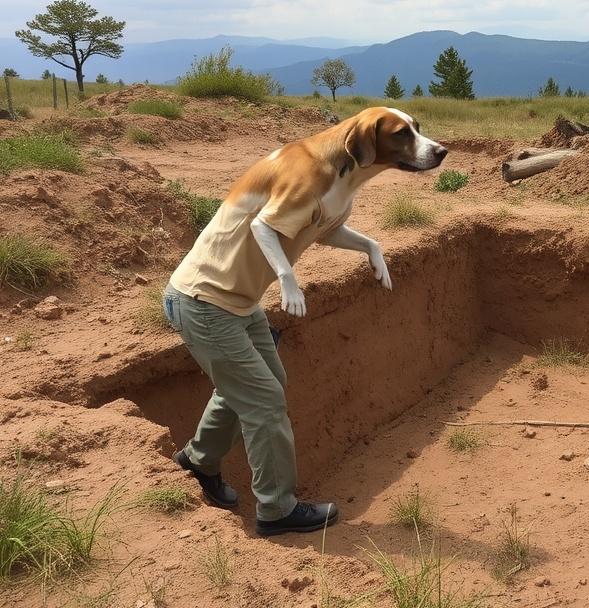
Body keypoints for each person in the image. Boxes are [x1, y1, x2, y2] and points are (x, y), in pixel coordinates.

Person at [162, 107, 446, 535]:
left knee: (261, 386)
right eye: (403, 137)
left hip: (238, 302)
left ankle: (198, 461)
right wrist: (287, 278)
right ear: (365, 145)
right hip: (203, 302)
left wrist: (372, 248)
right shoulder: (308, 171)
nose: (423, 147)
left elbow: (321, 228)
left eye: (415, 134)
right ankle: (276, 510)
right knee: (263, 401)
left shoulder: (340, 180)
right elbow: (263, 226)